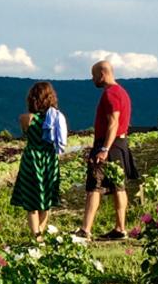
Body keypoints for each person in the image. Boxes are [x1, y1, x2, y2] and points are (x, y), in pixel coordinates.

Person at [75, 61, 138, 241]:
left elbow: (113, 122)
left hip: (108, 145)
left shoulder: (110, 94)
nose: (92, 79)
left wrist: (103, 149)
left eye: (94, 75)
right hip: (121, 144)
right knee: (119, 187)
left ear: (102, 74)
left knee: (94, 186)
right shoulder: (122, 92)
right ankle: (120, 228)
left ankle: (85, 230)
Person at [10, 82, 68, 243]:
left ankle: (36, 235)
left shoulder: (26, 118)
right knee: (47, 200)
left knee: (31, 201)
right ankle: (40, 234)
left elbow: (26, 134)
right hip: (49, 159)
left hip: (32, 158)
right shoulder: (56, 118)